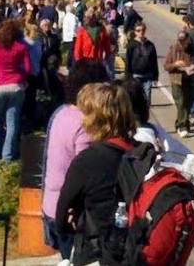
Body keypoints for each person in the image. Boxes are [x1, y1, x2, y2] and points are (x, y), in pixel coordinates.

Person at [56, 82, 137, 266]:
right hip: (134, 251)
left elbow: (61, 219)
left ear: (96, 119)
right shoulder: (140, 154)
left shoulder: (87, 161)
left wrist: (76, 216)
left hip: (96, 253)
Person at [41, 61, 109, 263]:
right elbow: (86, 173)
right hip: (71, 212)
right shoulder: (84, 124)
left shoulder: (61, 113)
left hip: (52, 204)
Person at [0, 19, 32, 161]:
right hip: (16, 86)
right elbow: (28, 69)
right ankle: (7, 155)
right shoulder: (20, 47)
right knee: (12, 122)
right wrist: (21, 76)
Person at [164, 31, 194, 137]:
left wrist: (193, 67)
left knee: (187, 103)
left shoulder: (191, 49)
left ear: (188, 39)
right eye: (181, 41)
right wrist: (175, 64)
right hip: (176, 80)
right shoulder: (173, 49)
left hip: (188, 79)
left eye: (185, 41)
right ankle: (182, 126)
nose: (183, 43)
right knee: (180, 103)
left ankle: (182, 124)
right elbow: (166, 66)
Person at [125, 22, 159, 104]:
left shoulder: (150, 45)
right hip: (135, 76)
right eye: (138, 30)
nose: (141, 32)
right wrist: (128, 76)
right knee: (135, 99)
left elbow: (154, 61)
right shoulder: (131, 45)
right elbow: (128, 61)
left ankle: (145, 115)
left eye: (143, 30)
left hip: (148, 76)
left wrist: (155, 76)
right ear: (135, 32)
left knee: (147, 99)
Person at [73, 12, 114, 76]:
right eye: (85, 17)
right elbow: (78, 47)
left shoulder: (101, 29)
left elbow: (106, 44)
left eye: (88, 17)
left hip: (97, 61)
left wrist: (108, 54)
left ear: (94, 18)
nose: (85, 19)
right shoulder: (82, 30)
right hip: (86, 61)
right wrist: (78, 60)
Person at [61, 3, 79, 68]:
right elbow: (74, 26)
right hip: (72, 36)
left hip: (66, 36)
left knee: (70, 51)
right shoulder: (73, 17)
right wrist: (75, 33)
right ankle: (72, 65)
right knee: (73, 51)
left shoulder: (66, 16)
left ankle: (68, 64)